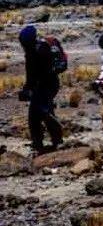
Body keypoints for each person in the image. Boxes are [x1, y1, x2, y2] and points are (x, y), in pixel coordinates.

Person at [18, 26, 64, 154]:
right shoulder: (35, 49)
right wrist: (28, 88)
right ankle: (52, 140)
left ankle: (44, 142)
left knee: (38, 114)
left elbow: (34, 74)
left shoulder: (38, 51)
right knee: (42, 112)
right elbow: (31, 74)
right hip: (46, 86)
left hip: (46, 86)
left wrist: (29, 88)